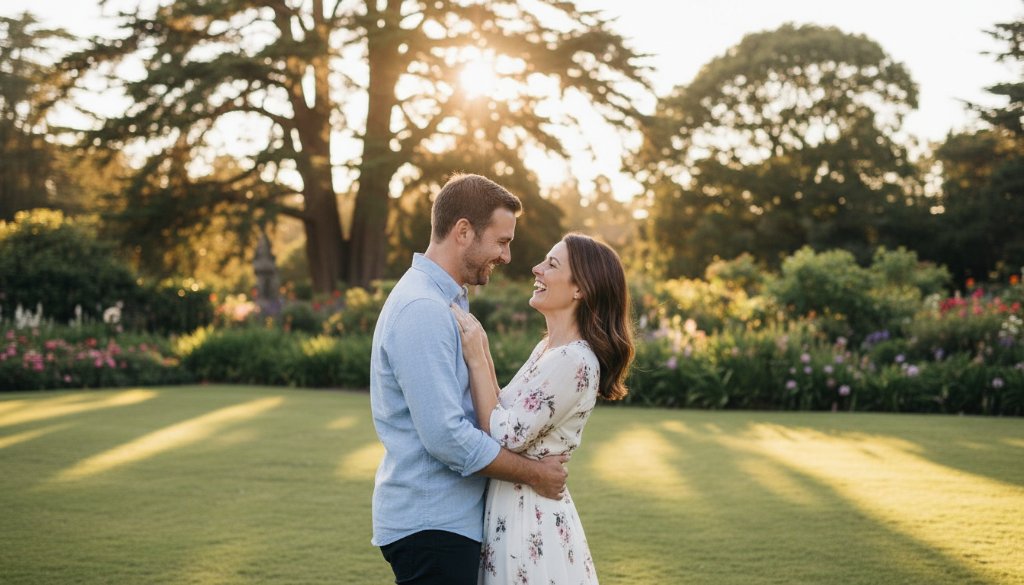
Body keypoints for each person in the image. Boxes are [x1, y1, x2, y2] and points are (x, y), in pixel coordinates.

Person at [370, 173, 569, 585]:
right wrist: (536, 473)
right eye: (501, 241)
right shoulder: (423, 308)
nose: (507, 256)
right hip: (432, 526)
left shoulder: (447, 301)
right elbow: (446, 436)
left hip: (445, 524)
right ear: (463, 232)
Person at [451, 233, 635, 584]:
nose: (536, 268)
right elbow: (502, 407)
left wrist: (476, 357)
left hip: (529, 520)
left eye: (552, 264)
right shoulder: (548, 348)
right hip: (513, 507)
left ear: (580, 289)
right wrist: (482, 351)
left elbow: (504, 433)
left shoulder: (574, 360)